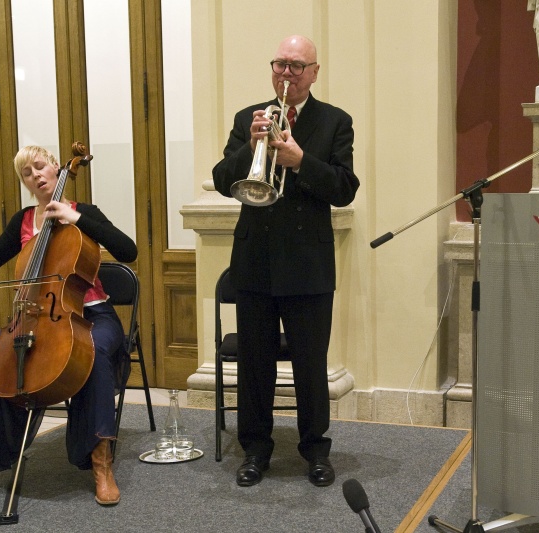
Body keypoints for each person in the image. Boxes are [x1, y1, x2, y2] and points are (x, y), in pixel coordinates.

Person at [0, 145, 137, 506]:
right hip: (34, 316)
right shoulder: (25, 220)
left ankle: (100, 462)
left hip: (92, 314)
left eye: (40, 167)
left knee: (95, 352)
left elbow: (128, 250)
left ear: (57, 167)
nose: (35, 176)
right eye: (27, 173)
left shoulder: (84, 213)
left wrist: (76, 219)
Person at [212, 35, 360, 487]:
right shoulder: (249, 118)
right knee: (254, 365)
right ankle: (255, 450)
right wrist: (250, 145)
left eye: (297, 66)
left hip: (308, 264)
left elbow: (345, 188)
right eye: (281, 64)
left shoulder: (335, 121)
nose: (287, 73)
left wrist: (300, 161)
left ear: (314, 73)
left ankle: (315, 450)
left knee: (310, 365)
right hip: (255, 261)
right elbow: (223, 178)